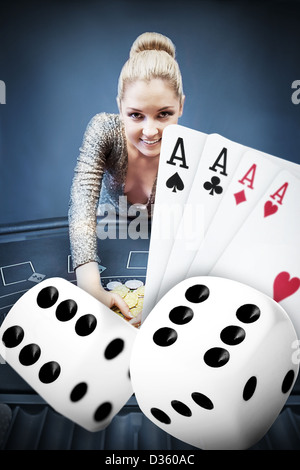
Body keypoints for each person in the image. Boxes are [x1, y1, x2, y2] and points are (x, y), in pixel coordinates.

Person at [68, 32, 185, 327]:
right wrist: (91, 287)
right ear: (120, 106)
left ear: (181, 106)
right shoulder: (104, 130)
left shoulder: (190, 148)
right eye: (135, 115)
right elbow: (82, 201)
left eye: (164, 114)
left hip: (164, 234)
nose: (150, 130)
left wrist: (165, 299)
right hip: (113, 225)